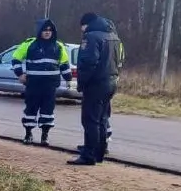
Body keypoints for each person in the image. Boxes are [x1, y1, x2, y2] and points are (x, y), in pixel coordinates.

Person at [70, 13, 122, 166]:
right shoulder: (113, 36)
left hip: (95, 84)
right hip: (111, 82)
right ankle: (99, 151)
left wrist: (82, 82)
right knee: (102, 118)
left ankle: (88, 155)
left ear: (86, 24)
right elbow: (119, 60)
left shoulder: (91, 37)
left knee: (90, 120)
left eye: (82, 27)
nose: (82, 31)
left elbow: (88, 62)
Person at [11, 18, 72, 146]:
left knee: (47, 111)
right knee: (31, 110)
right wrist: (20, 74)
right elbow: (16, 58)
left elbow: (64, 64)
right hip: (33, 85)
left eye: (50, 30)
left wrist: (68, 78)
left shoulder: (59, 46)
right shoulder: (29, 44)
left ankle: (45, 136)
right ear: (39, 31)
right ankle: (28, 134)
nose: (47, 32)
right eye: (45, 29)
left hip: (50, 86)